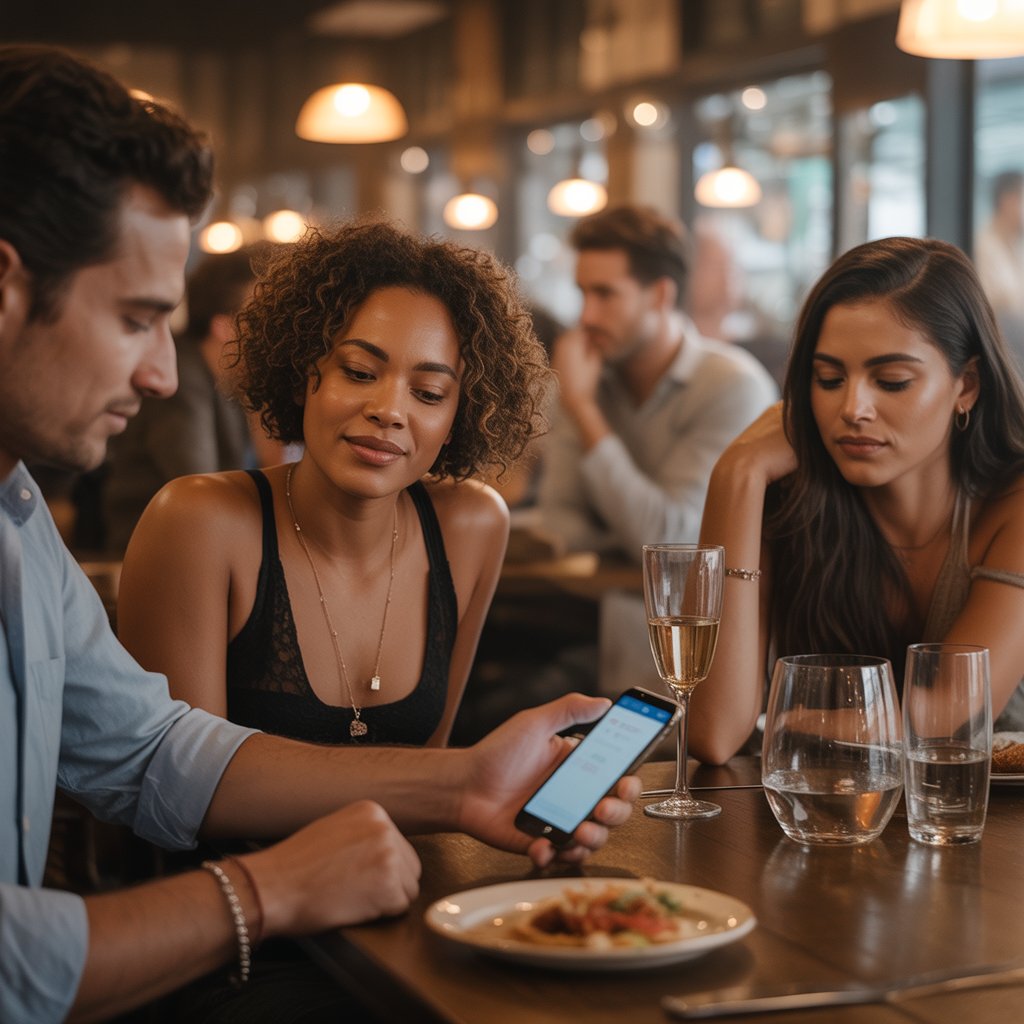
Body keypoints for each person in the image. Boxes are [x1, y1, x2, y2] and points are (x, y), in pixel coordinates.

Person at [0, 45, 637, 1024]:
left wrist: (467, 780)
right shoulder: (193, 514)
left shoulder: (19, 514)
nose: (165, 376)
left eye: (429, 390)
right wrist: (267, 892)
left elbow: (149, 750)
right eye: (137, 319)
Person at [116, 220, 548, 747]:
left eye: (430, 393)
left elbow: (428, 773)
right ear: (303, 374)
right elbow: (179, 789)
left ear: (461, 415)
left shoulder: (471, 525)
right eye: (360, 373)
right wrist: (463, 781)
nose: (389, 411)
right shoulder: (198, 520)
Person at [690, 236, 1024, 766]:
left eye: (891, 381)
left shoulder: (1016, 502)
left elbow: (947, 714)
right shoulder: (792, 500)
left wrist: (787, 718)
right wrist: (737, 473)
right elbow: (713, 733)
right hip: (830, 819)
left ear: (966, 384)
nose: (853, 408)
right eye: (829, 379)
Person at [536, 204, 778, 695]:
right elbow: (558, 520)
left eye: (605, 294)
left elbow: (671, 537)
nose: (585, 316)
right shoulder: (592, 375)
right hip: (594, 623)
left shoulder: (731, 386)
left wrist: (584, 411)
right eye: (582, 293)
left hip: (708, 648)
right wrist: (632, 544)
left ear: (661, 295)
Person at [102, 244, 287, 554]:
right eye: (265, 317)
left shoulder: (226, 381)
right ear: (224, 327)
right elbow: (201, 488)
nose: (278, 330)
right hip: (150, 557)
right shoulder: (179, 380)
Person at [974, 170, 1024, 372]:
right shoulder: (981, 246)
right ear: (1008, 201)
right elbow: (996, 310)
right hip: (1001, 355)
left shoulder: (1016, 247)